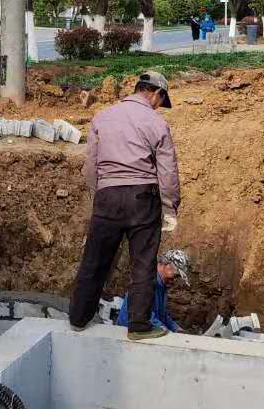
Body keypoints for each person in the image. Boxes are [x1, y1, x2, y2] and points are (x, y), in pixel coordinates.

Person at [69, 70, 182, 342]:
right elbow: (167, 172)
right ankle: (139, 326)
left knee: (95, 259)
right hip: (143, 199)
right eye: (160, 101)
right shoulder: (156, 123)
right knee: (143, 262)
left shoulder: (102, 117)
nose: (159, 106)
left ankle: (78, 318)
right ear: (156, 94)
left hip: (107, 195)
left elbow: (90, 168)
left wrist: (102, 195)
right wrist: (170, 208)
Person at [114, 249, 190, 334]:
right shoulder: (146, 281)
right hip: (127, 333)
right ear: (167, 265)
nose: (175, 279)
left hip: (143, 333)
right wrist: (169, 333)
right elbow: (144, 316)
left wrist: (177, 329)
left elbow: (162, 315)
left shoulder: (162, 285)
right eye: (176, 275)